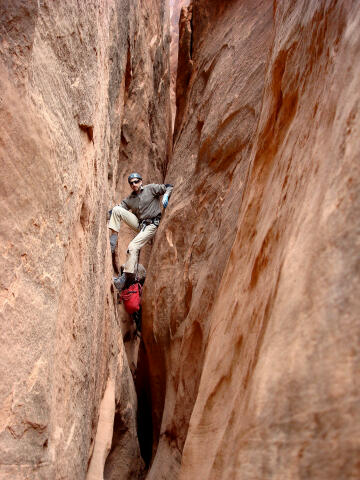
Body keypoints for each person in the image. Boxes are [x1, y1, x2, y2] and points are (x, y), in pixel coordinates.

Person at [108, 172, 173, 290]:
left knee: (132, 247)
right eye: (131, 183)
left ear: (141, 181)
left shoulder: (151, 189)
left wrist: (166, 195)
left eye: (136, 181)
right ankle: (113, 240)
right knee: (117, 210)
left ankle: (125, 279)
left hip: (152, 224)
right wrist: (104, 215)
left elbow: (168, 186)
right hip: (140, 224)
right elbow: (118, 209)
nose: (134, 184)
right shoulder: (131, 199)